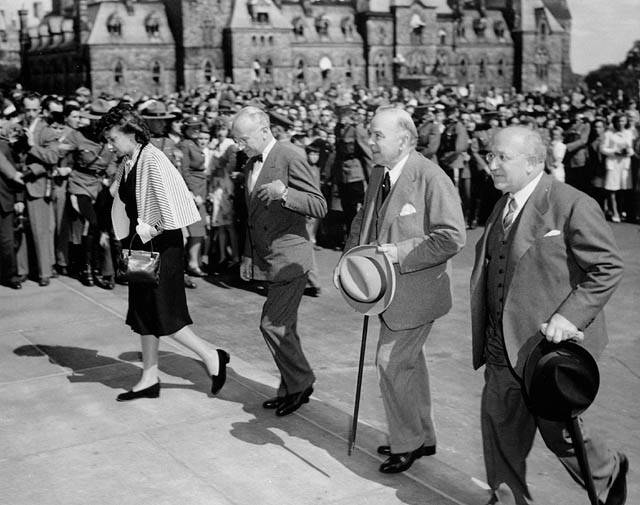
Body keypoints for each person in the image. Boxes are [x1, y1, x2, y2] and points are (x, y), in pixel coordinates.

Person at [470, 126, 628, 505]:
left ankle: (608, 470)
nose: (491, 165)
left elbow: (606, 267)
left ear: (534, 163)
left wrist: (569, 317)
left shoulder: (571, 203)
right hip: (500, 343)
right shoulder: (502, 204)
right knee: (500, 424)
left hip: (548, 348)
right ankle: (508, 497)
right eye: (490, 156)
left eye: (501, 158)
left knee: (560, 434)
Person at [342, 106, 466, 474]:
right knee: (410, 364)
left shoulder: (430, 176)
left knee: (391, 362)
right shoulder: (380, 171)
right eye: (371, 134)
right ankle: (422, 436)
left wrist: (398, 252)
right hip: (385, 290)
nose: (371, 142)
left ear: (405, 139)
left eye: (378, 135)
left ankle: (407, 442)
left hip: (416, 292)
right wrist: (352, 259)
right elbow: (364, 219)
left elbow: (451, 237)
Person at [102, 104, 230, 401]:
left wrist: (150, 228)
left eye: (113, 138)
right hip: (140, 244)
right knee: (143, 312)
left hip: (162, 244)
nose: (110, 145)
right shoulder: (129, 161)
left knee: (164, 313)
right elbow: (121, 197)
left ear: (131, 133)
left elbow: (173, 210)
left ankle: (211, 355)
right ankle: (149, 377)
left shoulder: (155, 159)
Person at [231, 105, 327, 417]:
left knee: (271, 324)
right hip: (269, 258)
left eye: (243, 139)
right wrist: (248, 255)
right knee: (286, 327)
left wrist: (285, 194)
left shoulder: (290, 155)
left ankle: (301, 382)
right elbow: (251, 218)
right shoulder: (250, 164)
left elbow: (319, 205)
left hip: (291, 258)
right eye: (237, 140)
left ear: (264, 130)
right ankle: (289, 388)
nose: (239, 145)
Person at [601, 114, 633, 222]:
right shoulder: (608, 133)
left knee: (624, 190)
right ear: (615, 122)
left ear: (626, 122)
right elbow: (603, 149)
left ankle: (623, 211)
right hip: (613, 163)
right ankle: (615, 212)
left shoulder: (629, 133)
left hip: (624, 164)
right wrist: (614, 152)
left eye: (623, 121)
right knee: (612, 189)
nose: (621, 123)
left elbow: (631, 149)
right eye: (619, 121)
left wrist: (628, 152)